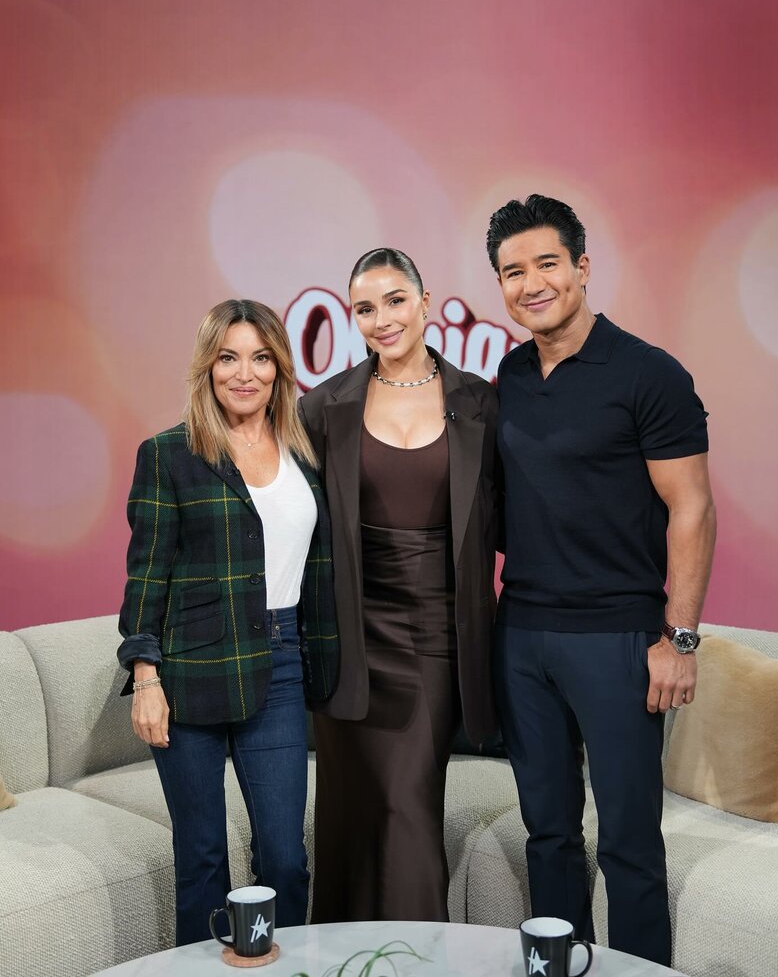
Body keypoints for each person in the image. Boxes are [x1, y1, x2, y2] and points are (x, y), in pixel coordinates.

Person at [487, 195, 716, 966]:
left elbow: (693, 509)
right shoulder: (511, 374)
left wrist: (679, 639)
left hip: (617, 638)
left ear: (582, 267)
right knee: (548, 835)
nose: (532, 284)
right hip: (522, 635)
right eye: (512, 272)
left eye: (547, 264)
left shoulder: (650, 373)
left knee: (627, 841)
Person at [117, 299, 339, 946]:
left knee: (286, 858)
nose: (245, 373)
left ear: (280, 368)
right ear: (207, 368)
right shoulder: (169, 454)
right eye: (228, 358)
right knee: (203, 858)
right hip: (189, 673)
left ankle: (281, 962)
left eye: (261, 358)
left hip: (281, 662)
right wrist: (146, 676)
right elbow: (147, 574)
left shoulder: (307, 453)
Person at [298, 247, 499, 923]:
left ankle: (419, 959)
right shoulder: (323, 407)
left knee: (408, 803)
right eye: (364, 308)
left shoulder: (479, 401)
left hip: (437, 636)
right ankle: (340, 958)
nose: (381, 319)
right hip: (350, 636)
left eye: (394, 301)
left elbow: (509, 516)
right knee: (349, 814)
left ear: (424, 302)